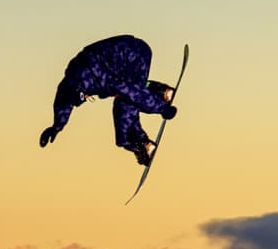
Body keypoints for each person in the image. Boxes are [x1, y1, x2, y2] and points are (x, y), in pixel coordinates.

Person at [40, 35, 177, 166]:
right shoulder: (70, 82)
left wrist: (161, 108)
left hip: (134, 56)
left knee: (124, 109)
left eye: (85, 96)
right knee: (125, 104)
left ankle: (157, 101)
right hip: (126, 59)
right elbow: (63, 102)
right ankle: (161, 93)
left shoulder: (98, 76)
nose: (87, 98)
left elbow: (129, 91)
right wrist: (56, 127)